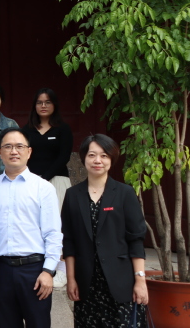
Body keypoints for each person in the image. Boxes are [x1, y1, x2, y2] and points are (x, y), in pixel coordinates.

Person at [61, 134, 148, 328]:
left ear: (111, 159)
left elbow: (135, 239)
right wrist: (71, 279)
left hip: (121, 282)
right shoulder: (72, 195)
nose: (97, 160)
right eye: (92, 155)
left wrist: (140, 280)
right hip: (87, 283)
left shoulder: (125, 193)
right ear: (84, 158)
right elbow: (69, 240)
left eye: (104, 155)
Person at [0, 128, 62, 328]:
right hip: (1, 270)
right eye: (8, 147)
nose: (14, 151)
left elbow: (53, 233)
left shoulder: (43, 187)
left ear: (29, 151)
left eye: (19, 146)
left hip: (34, 271)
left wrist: (48, 271)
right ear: (0, 152)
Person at [22, 87, 73, 285]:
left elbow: (64, 157)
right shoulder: (26, 130)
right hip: (31, 182)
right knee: (34, 221)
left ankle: (60, 269)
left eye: (47, 102)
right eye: (39, 102)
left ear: (54, 105)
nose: (43, 106)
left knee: (58, 223)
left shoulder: (63, 129)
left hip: (57, 180)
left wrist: (45, 177)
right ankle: (40, 264)